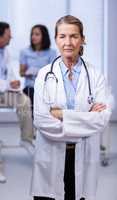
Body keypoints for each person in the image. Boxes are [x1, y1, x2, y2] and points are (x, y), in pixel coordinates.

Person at [30, 15, 113, 200]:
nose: (68, 42)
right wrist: (85, 118)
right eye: (62, 36)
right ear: (56, 39)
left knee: (78, 195)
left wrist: (61, 115)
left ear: (83, 39)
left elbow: (102, 119)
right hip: (51, 154)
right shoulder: (44, 75)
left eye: (74, 36)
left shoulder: (96, 76)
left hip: (83, 155)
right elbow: (42, 121)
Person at [0, 22, 34, 183]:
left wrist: (14, 81)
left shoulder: (5, 50)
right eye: (8, 34)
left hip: (4, 90)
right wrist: (7, 84)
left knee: (24, 101)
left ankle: (26, 139)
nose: (11, 36)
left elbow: (9, 71)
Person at [19, 24, 57, 112]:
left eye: (37, 34)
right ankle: (34, 121)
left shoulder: (52, 53)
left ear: (44, 36)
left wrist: (39, 72)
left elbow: (53, 73)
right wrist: (28, 72)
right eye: (32, 34)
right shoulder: (24, 52)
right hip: (30, 87)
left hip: (45, 87)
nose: (33, 37)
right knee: (32, 94)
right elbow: (21, 73)